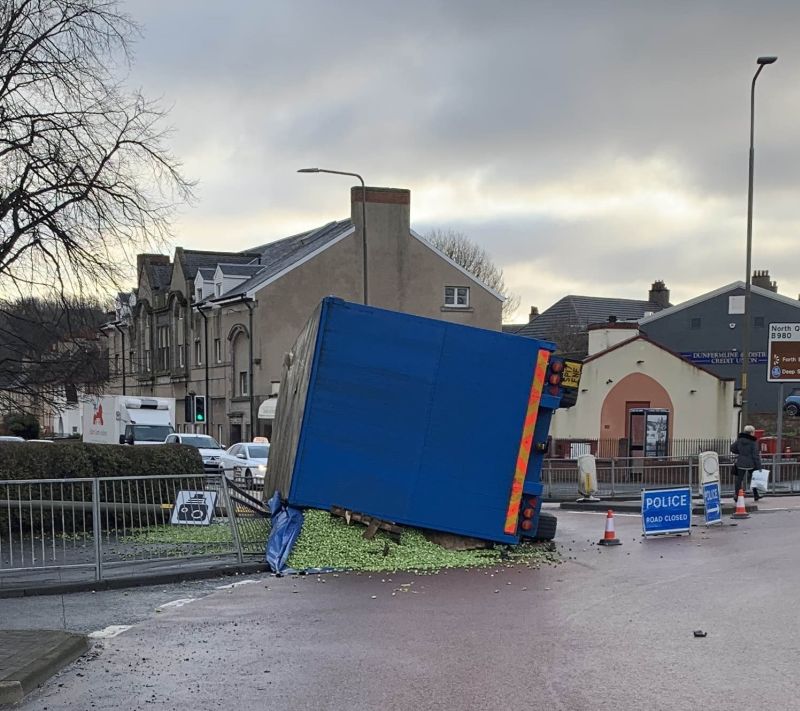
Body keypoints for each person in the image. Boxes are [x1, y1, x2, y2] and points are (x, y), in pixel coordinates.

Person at [730, 424, 763, 502]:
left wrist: (740, 452)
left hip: (740, 462)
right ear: (751, 432)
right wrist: (759, 467)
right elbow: (755, 455)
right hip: (751, 463)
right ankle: (756, 495)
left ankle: (736, 495)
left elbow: (732, 448)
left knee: (739, 480)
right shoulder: (753, 442)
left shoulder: (740, 440)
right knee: (754, 479)